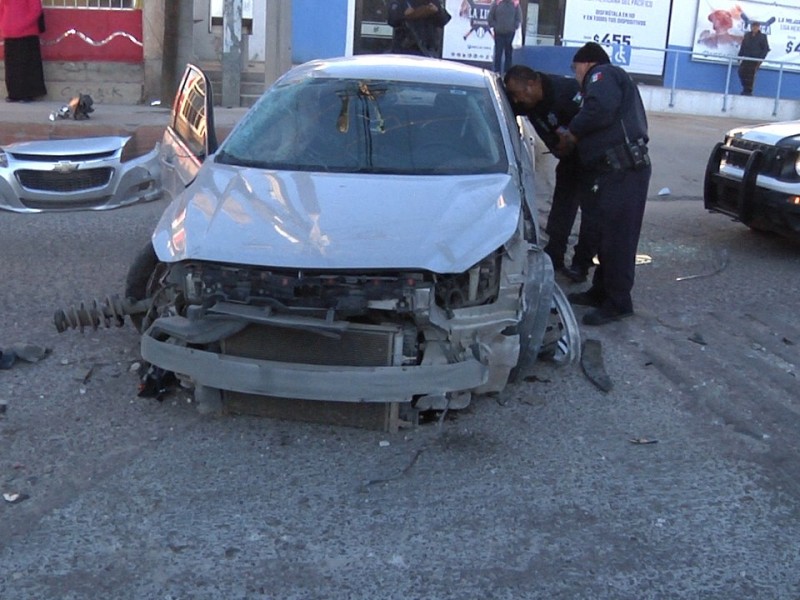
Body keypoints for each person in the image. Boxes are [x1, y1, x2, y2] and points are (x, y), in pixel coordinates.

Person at [556, 42, 651, 326]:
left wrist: (571, 132)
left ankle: (619, 302)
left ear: (585, 63)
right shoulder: (607, 79)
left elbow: (600, 109)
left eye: (575, 69)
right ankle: (601, 291)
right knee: (605, 235)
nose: (575, 76)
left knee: (618, 239)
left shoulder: (602, 74)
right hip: (612, 171)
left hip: (623, 170)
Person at [503, 65, 596, 282]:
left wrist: (571, 140)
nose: (517, 101)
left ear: (533, 84)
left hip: (590, 159)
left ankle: (581, 266)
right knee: (561, 211)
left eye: (518, 95)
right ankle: (554, 259)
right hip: (568, 160)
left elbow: (593, 123)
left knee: (593, 215)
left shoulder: (568, 92)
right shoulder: (527, 102)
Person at [0, 0, 47, 103]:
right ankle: (13, 93)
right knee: (12, 66)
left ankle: (27, 93)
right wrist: (3, 25)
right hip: (10, 33)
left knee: (26, 65)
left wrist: (22, 24)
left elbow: (36, 10)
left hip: (27, 33)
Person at [487, 0, 521, 74]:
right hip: (499, 34)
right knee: (498, 54)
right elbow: (490, 17)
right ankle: (496, 73)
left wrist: (514, 26)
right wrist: (495, 26)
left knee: (508, 55)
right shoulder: (496, 2)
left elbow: (519, 18)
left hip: (510, 34)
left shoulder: (515, 3)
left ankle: (507, 74)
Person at [737, 21, 770, 96]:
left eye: (756, 27)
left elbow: (765, 49)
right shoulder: (747, 35)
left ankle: (748, 91)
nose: (754, 28)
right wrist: (739, 56)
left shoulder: (762, 37)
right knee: (741, 72)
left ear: (759, 28)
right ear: (751, 27)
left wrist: (760, 60)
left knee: (751, 75)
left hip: (755, 59)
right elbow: (743, 46)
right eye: (753, 26)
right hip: (746, 58)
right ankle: (745, 88)